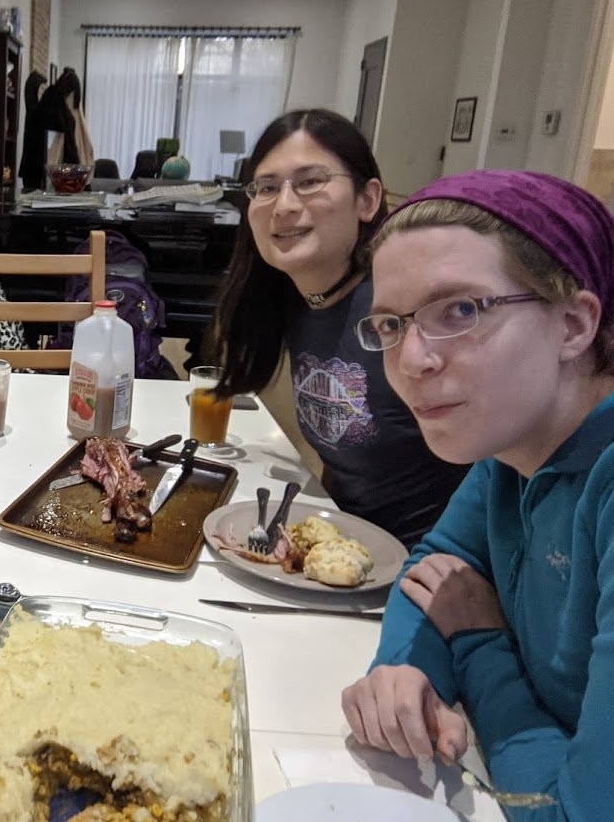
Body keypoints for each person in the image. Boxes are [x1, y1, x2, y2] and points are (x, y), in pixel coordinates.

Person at [341, 170, 614, 818]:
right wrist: (409, 672)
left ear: (574, 324)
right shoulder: (515, 446)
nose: (412, 360)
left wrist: (477, 643)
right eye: (390, 324)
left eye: (460, 310)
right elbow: (434, 567)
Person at [212, 109, 469, 546]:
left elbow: (499, 463)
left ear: (367, 199)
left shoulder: (410, 313)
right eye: (267, 187)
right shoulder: (294, 299)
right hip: (347, 549)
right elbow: (346, 455)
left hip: (429, 567)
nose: (285, 205)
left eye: (310, 182)